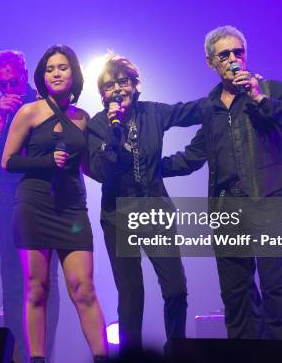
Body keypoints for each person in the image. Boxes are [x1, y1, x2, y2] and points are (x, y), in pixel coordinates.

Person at [162, 25, 282, 339]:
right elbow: (192, 156)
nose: (233, 59)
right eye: (224, 54)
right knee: (236, 296)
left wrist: (259, 98)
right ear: (210, 62)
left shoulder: (272, 90)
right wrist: (150, 167)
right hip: (226, 209)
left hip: (266, 201)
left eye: (238, 52)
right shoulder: (211, 107)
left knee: (276, 288)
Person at [86, 54, 205, 353]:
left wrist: (225, 95)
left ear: (135, 86)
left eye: (123, 82)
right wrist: (115, 135)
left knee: (176, 289)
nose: (117, 89)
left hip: (155, 211)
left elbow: (192, 112)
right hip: (118, 217)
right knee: (130, 296)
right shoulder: (99, 125)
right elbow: (100, 172)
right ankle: (131, 356)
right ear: (102, 93)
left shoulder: (153, 113)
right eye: (109, 84)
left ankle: (176, 350)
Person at [1, 45, 108, 362]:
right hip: (34, 206)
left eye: (62, 67)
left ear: (73, 73)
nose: (57, 73)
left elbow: (89, 167)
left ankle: (102, 357)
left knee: (84, 288)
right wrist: (47, 160)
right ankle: (37, 359)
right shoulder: (29, 112)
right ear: (41, 76)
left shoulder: (83, 119)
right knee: (37, 289)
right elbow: (8, 161)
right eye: (50, 69)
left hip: (72, 208)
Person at [0, 50, 59, 362]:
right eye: (3, 84)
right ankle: (14, 355)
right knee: (11, 281)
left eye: (15, 82)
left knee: (43, 280)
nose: (10, 90)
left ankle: (44, 356)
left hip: (41, 194)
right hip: (7, 197)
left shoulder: (43, 101)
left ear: (25, 75)